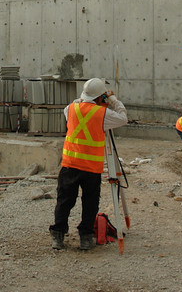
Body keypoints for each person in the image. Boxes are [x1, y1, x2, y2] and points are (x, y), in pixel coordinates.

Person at [49, 78, 128, 251]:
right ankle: (85, 237)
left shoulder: (70, 109)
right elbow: (123, 118)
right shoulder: (103, 114)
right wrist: (113, 99)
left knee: (64, 202)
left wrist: (93, 98)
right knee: (90, 203)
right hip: (91, 169)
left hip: (69, 165)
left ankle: (58, 236)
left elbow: (79, 103)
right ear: (101, 97)